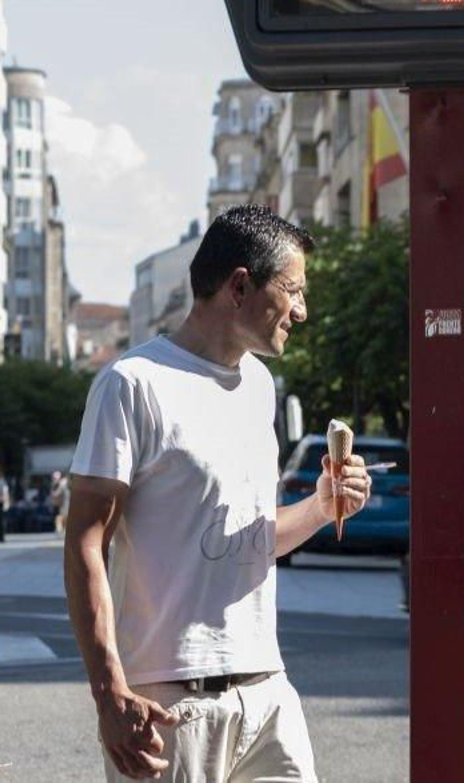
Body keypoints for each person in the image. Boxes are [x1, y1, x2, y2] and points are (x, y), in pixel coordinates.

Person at [63, 206, 371, 782]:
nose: (302, 311)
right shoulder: (132, 385)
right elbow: (85, 543)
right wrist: (109, 693)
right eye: (293, 291)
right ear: (238, 285)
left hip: (268, 695)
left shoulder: (259, 385)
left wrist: (323, 504)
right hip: (170, 705)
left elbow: (248, 539)